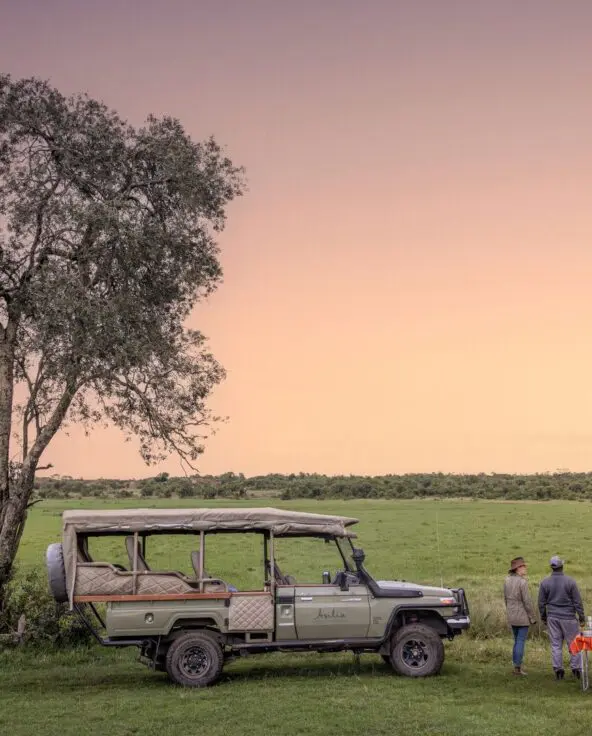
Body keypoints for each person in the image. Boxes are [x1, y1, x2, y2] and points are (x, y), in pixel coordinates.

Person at [538, 555, 585, 680]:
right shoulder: (570, 581)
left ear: (552, 568)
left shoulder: (545, 582)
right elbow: (577, 602)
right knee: (574, 644)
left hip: (552, 617)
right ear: (562, 566)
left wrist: (544, 616)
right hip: (569, 617)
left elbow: (541, 603)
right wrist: (581, 617)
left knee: (556, 645)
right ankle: (576, 669)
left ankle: (558, 670)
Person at [504, 556, 537, 675]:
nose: (525, 567)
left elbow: (505, 599)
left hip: (511, 614)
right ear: (518, 568)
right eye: (523, 566)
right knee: (520, 641)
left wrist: (509, 611)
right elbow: (527, 602)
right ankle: (517, 668)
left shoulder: (507, 580)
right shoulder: (523, 582)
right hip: (522, 615)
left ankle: (515, 666)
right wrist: (532, 617)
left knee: (516, 640)